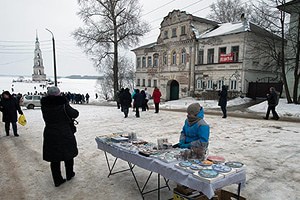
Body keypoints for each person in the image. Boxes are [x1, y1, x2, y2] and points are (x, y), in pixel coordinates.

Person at [41, 86, 79, 187]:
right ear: (59, 93)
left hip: (50, 133)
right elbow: (74, 113)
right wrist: (66, 103)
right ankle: (70, 174)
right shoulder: (62, 104)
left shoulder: (44, 104)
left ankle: (57, 180)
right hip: (64, 132)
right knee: (68, 154)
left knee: (54, 158)